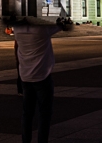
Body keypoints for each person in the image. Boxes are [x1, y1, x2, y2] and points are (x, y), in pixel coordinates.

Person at [12, 14, 74, 143]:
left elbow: (16, 47)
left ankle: (26, 140)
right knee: (44, 113)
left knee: (27, 114)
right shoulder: (43, 29)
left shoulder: (17, 29)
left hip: (25, 76)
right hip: (42, 76)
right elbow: (62, 26)